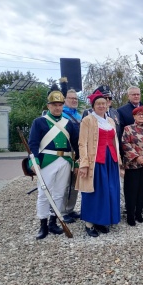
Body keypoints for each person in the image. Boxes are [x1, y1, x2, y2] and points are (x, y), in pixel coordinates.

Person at [28, 90, 79, 239]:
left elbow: (75, 144)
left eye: (60, 105)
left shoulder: (68, 123)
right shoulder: (39, 122)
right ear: (48, 106)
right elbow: (33, 143)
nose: (57, 108)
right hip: (47, 161)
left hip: (65, 161)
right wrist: (34, 160)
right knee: (44, 194)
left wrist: (76, 163)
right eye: (54, 105)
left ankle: (53, 222)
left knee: (59, 193)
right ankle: (43, 224)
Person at [76, 90, 121, 237]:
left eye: (103, 103)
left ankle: (102, 220)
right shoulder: (87, 120)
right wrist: (83, 163)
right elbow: (82, 143)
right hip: (95, 161)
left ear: (107, 104)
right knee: (94, 191)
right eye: (98, 104)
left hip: (110, 161)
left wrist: (119, 161)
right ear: (93, 105)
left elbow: (115, 142)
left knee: (109, 190)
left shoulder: (110, 121)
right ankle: (89, 223)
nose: (101, 106)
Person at [60, 88, 82, 223]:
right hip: (67, 153)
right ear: (64, 100)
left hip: (78, 153)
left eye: (76, 98)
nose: (74, 100)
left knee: (75, 184)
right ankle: (62, 211)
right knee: (65, 184)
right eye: (71, 98)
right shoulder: (62, 115)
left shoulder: (79, 116)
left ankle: (70, 209)